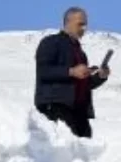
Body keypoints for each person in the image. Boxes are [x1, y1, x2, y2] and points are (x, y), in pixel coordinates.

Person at [34, 7, 110, 138]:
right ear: (68, 22)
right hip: (56, 108)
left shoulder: (81, 53)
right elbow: (43, 71)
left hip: (79, 113)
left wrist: (100, 76)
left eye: (85, 24)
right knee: (65, 151)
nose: (84, 28)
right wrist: (71, 71)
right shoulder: (51, 42)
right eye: (80, 24)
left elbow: (84, 85)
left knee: (86, 152)